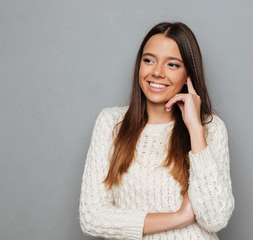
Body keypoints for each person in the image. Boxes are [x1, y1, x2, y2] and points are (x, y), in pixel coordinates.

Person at [79, 22, 234, 239]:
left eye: (172, 65)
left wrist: (194, 129)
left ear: (188, 74)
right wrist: (179, 217)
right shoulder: (111, 123)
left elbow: (215, 218)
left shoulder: (209, 128)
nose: (157, 72)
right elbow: (92, 217)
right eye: (149, 60)